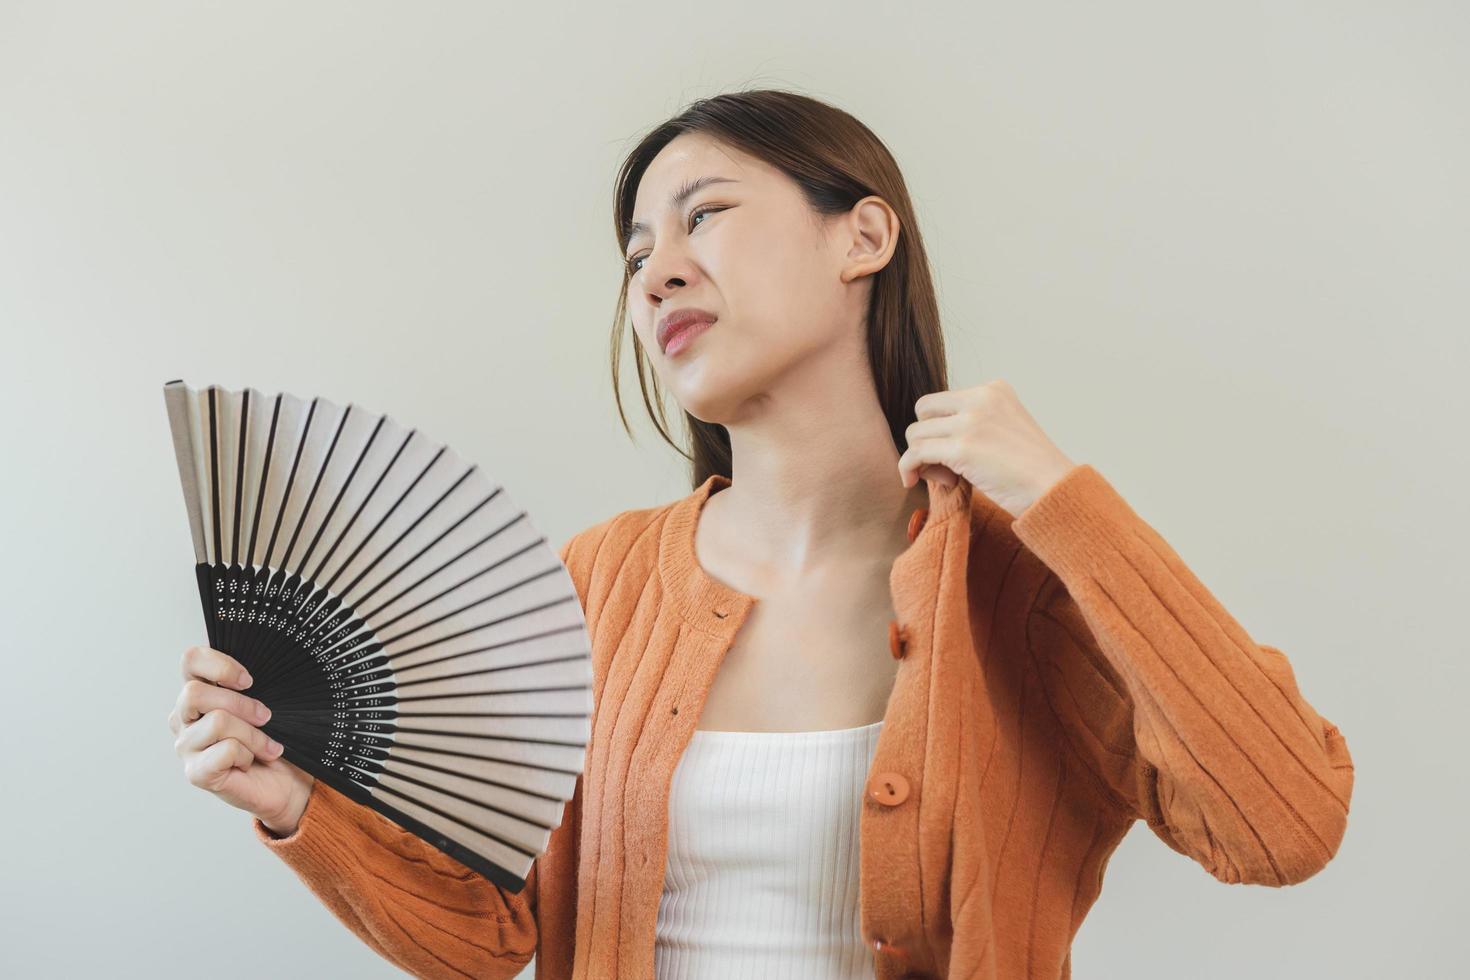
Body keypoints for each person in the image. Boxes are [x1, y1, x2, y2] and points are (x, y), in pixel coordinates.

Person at [166, 88, 1355, 980]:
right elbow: (493, 934)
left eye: (707, 217)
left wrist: (1060, 502)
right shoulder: (600, 581)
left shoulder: (1018, 578)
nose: (655, 273)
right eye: (635, 254)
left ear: (864, 238)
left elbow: (1285, 825)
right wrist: (294, 803)